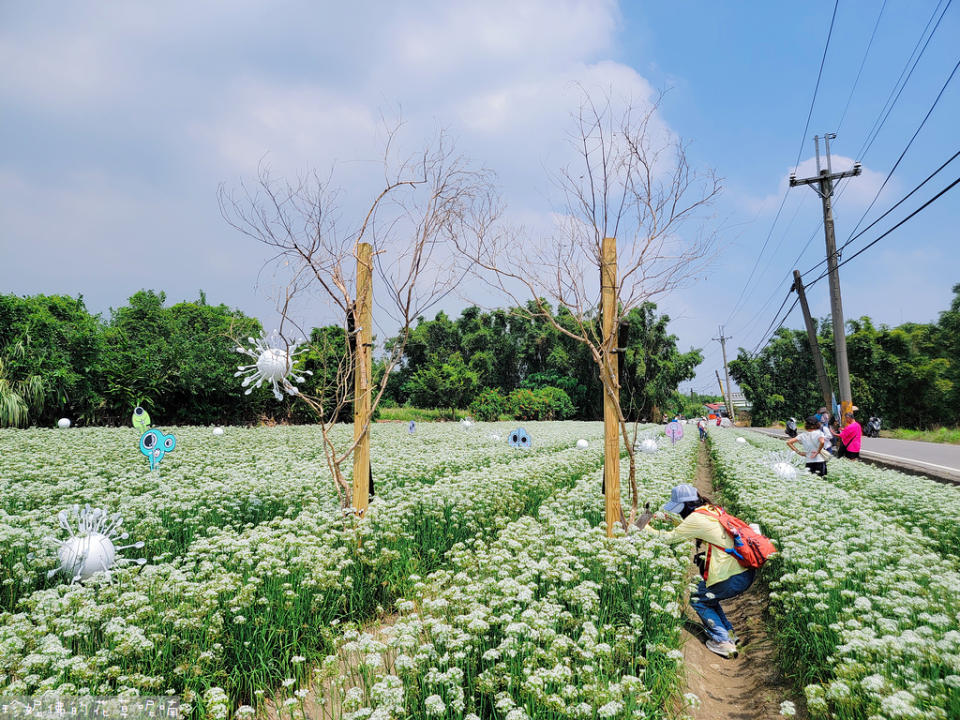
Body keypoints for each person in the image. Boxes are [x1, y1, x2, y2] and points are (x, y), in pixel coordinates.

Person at [644, 484, 756, 658]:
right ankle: (731, 636)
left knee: (698, 599)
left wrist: (644, 527)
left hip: (731, 576)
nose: (679, 513)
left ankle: (722, 641)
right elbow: (700, 529)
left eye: (679, 509)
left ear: (687, 505)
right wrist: (674, 522)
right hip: (745, 570)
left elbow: (667, 539)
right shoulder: (712, 510)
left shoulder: (695, 519)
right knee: (709, 597)